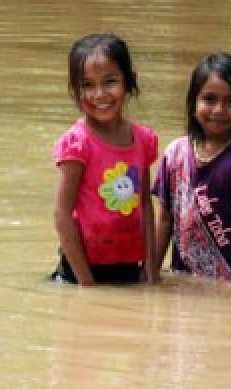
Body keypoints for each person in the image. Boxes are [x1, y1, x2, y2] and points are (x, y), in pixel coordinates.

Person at [153, 53, 231, 281]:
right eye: (209, 99)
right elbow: (164, 219)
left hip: (230, 278)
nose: (219, 110)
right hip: (183, 280)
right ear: (192, 103)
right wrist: (151, 273)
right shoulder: (175, 154)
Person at [52, 33, 159, 286]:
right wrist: (86, 284)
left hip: (128, 268)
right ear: (75, 91)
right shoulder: (78, 144)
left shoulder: (143, 140)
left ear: (129, 82)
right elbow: (62, 214)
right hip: (81, 270)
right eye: (87, 85)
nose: (99, 94)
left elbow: (144, 204)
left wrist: (151, 269)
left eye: (110, 82)